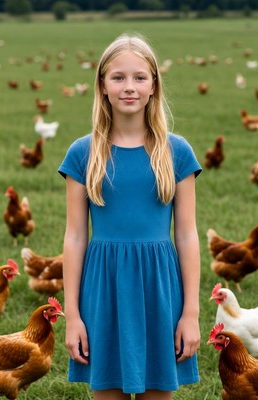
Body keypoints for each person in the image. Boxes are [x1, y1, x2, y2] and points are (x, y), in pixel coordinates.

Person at [58, 33, 202, 400]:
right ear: (102, 86)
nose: (129, 87)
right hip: (103, 290)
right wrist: (72, 316)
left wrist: (191, 313)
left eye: (140, 77)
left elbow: (186, 235)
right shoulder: (83, 153)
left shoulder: (176, 152)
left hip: (160, 290)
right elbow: (75, 237)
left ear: (154, 85)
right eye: (118, 77)